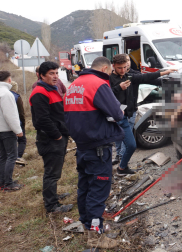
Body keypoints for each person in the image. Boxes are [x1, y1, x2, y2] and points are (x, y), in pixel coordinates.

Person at [64, 56, 124, 249]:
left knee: (85, 188)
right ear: (105, 68)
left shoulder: (75, 84)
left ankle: (86, 224)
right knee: (98, 191)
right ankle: (95, 236)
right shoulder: (97, 83)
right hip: (98, 147)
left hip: (82, 147)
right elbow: (117, 113)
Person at [109, 54, 176, 173]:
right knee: (111, 142)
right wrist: (119, 88)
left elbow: (147, 77)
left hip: (125, 116)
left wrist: (165, 72)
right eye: (120, 68)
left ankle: (122, 167)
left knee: (131, 145)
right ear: (113, 66)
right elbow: (105, 96)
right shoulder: (108, 78)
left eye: (125, 67)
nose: (123, 70)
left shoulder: (129, 75)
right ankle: (111, 167)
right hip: (112, 117)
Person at [29, 62, 72, 213]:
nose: (55, 77)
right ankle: (52, 206)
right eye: (51, 74)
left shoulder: (51, 88)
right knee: (51, 173)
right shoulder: (40, 92)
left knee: (55, 171)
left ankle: (53, 196)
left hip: (56, 137)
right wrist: (58, 136)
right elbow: (42, 120)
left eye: (56, 73)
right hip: (50, 139)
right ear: (41, 75)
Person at [0, 71, 23, 191]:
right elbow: (10, 115)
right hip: (7, 130)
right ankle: (8, 183)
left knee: (3, 156)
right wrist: (18, 130)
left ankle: (3, 182)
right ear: (9, 80)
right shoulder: (7, 94)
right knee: (11, 156)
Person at [10, 81, 27, 162]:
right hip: (17, 123)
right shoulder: (17, 97)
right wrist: (23, 124)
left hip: (5, 125)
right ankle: (18, 157)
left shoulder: (1, 95)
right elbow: (21, 113)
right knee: (22, 141)